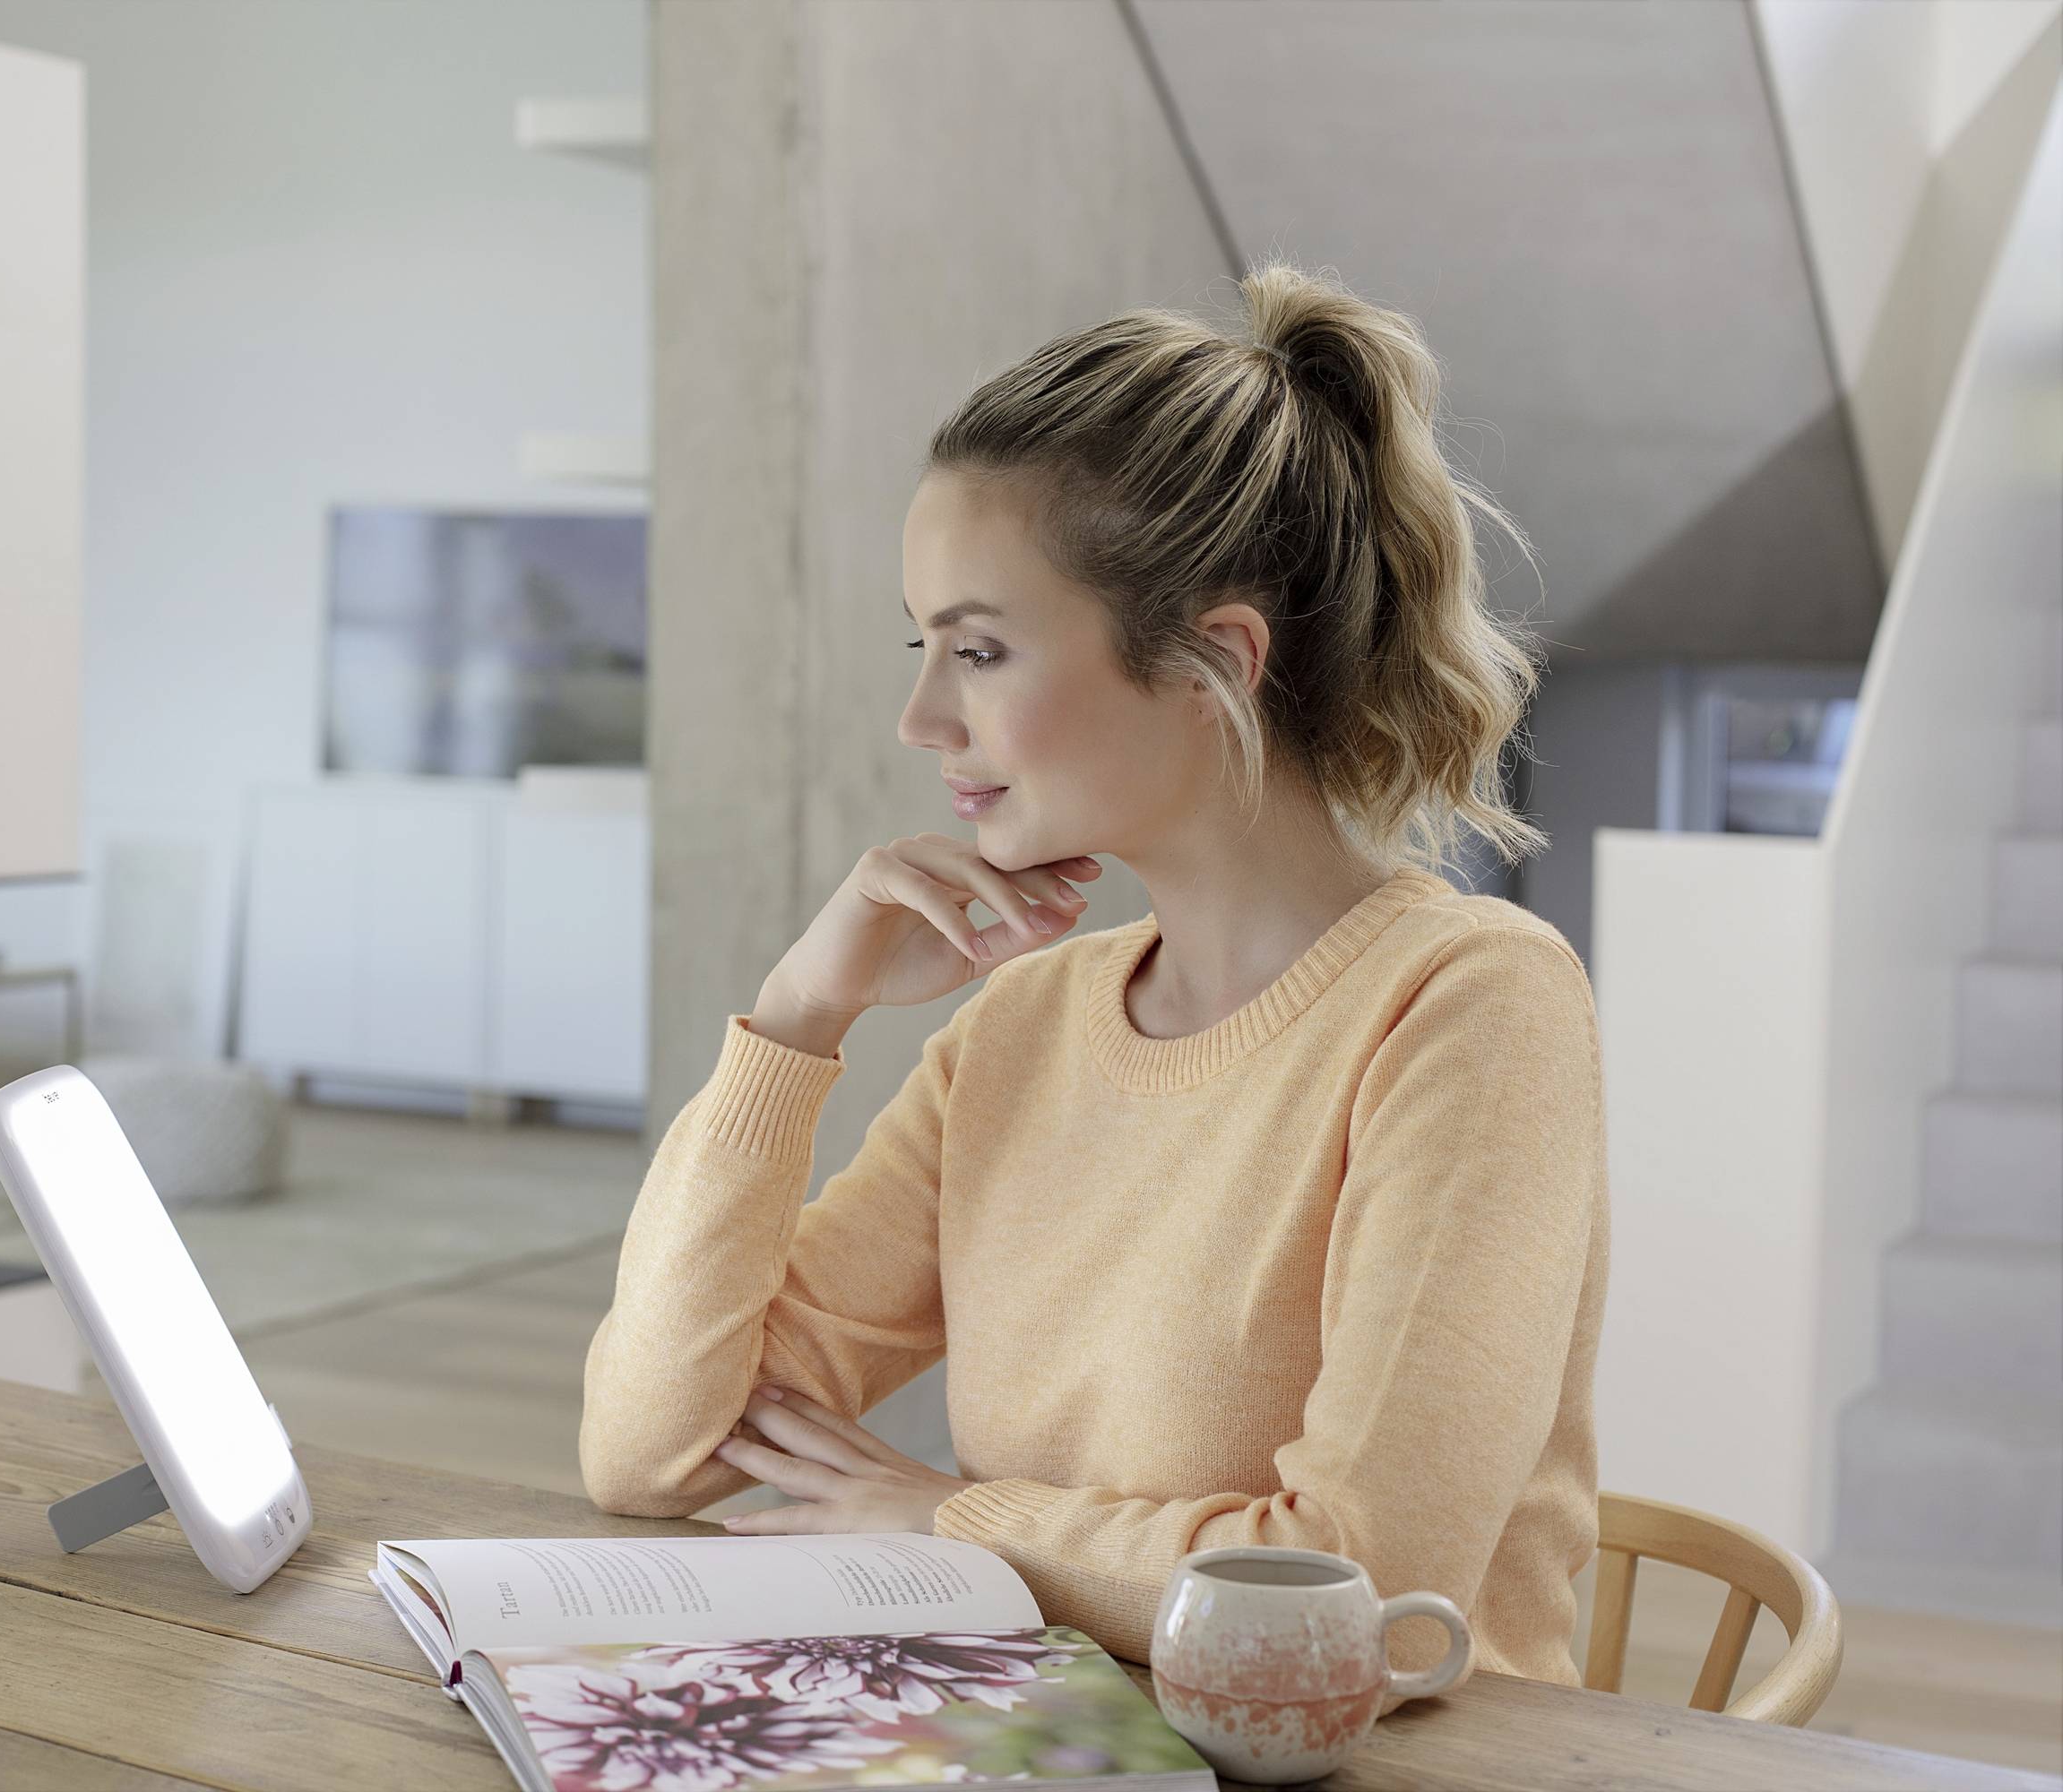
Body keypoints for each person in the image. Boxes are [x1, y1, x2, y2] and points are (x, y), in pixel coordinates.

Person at [579, 263, 1609, 1685]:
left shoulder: (1474, 1005)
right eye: (924, 648)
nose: (922, 716)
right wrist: (796, 1023)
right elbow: (655, 1454)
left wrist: (951, 1523)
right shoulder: (1024, 1026)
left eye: (981, 650)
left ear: (1214, 664)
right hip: (1052, 1732)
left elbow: (1361, 1584)